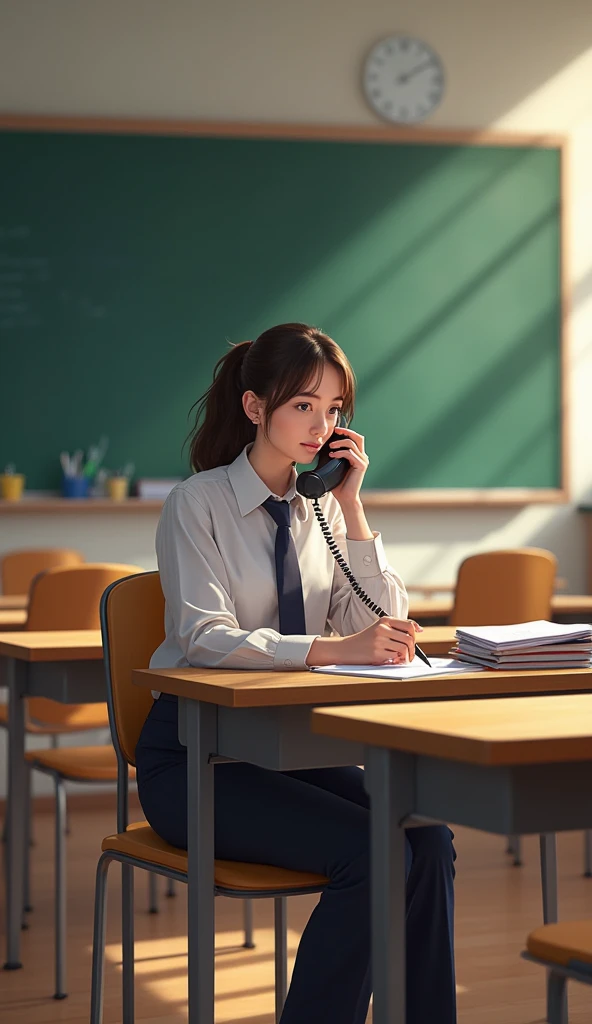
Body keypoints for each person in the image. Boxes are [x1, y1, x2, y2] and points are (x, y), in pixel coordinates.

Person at [135, 322, 456, 1024]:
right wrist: (335, 650)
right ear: (255, 408)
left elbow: (383, 622)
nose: (322, 425)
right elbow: (202, 635)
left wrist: (351, 503)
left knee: (428, 840)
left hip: (288, 751)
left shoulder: (321, 508)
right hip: (199, 758)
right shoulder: (198, 504)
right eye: (304, 405)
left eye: (335, 409)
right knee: (372, 857)